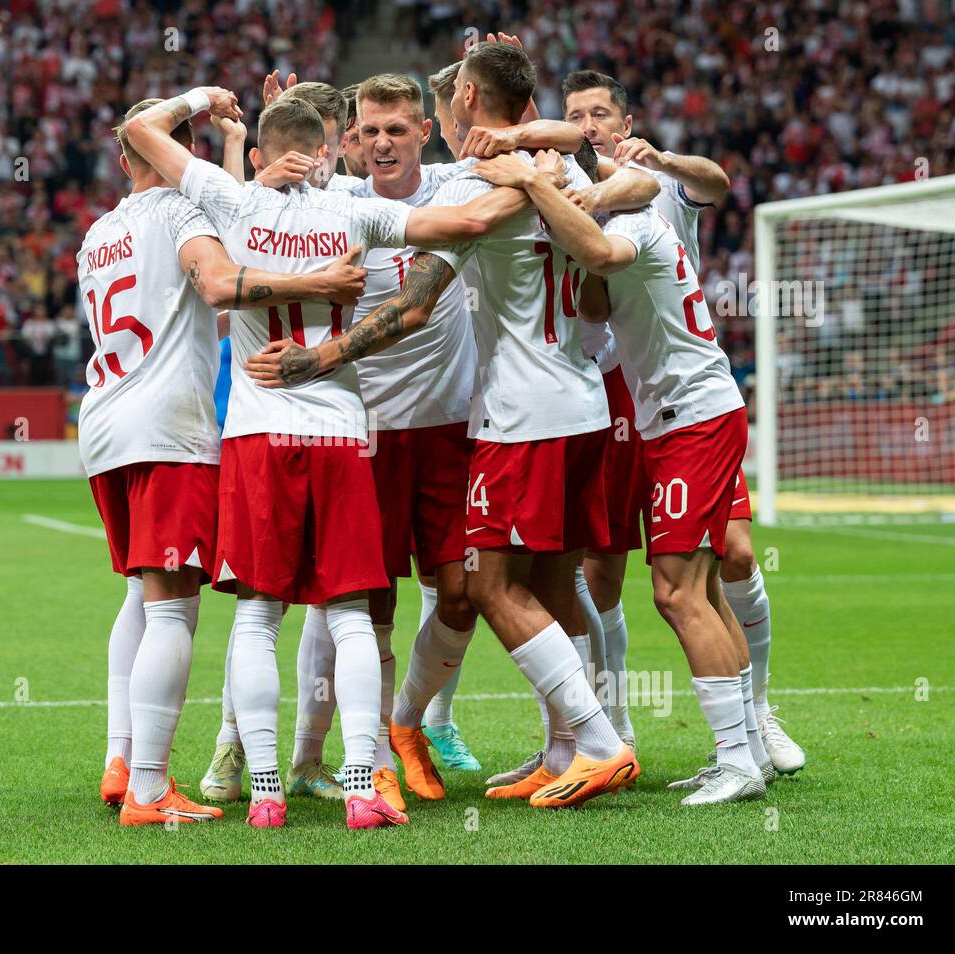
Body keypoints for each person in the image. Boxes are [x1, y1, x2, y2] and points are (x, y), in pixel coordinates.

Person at [247, 43, 649, 811]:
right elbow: (602, 220)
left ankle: (492, 734)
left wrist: (320, 354)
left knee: (473, 590)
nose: (383, 143)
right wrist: (273, 144)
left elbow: (418, 301)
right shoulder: (341, 200)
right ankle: (313, 752)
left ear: (435, 122)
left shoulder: (457, 186)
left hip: (469, 422)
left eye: (398, 128)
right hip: (370, 426)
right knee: (362, 602)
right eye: (367, 132)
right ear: (348, 141)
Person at [126, 84, 530, 828]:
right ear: (325, 150)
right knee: (350, 618)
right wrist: (535, 176)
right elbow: (470, 219)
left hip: (257, 431)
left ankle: (269, 793)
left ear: (266, 152)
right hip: (344, 429)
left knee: (256, 620)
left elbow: (139, 130)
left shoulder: (231, 201)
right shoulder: (355, 209)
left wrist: (203, 99)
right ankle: (357, 787)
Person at [88, 98, 367, 826]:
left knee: (139, 594)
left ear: (124, 160)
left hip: (103, 423)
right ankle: (150, 785)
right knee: (176, 607)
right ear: (186, 157)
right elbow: (220, 286)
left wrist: (249, 159)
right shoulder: (187, 215)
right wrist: (319, 284)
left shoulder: (99, 232)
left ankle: (122, 756)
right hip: (168, 429)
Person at [474, 144, 772, 805]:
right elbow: (595, 305)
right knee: (699, 587)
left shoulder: (633, 222)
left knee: (676, 593)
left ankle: (740, 762)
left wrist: (535, 182)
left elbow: (606, 252)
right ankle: (748, 750)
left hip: (692, 416)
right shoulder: (619, 220)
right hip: (677, 418)